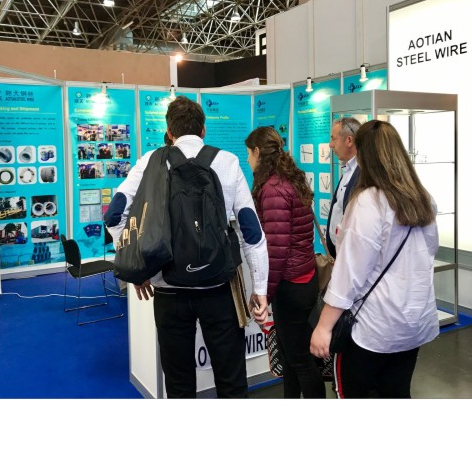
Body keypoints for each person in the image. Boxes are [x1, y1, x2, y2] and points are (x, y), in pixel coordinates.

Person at [105, 96, 269, 398]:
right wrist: (260, 288)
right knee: (231, 380)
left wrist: (138, 268)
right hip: (219, 288)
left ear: (169, 132)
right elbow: (251, 231)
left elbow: (114, 215)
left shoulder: (150, 161)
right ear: (203, 129)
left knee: (179, 384)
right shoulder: (227, 161)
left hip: (168, 290)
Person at [310, 119, 440, 398]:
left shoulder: (368, 201)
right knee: (397, 393)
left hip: (373, 327)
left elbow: (349, 273)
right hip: (413, 322)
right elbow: (429, 251)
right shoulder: (423, 198)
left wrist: (323, 326)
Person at [245, 126, 325, 399]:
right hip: (302, 279)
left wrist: (264, 293)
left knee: (299, 359)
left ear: (258, 152)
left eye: (249, 153)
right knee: (291, 356)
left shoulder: (273, 188)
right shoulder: (290, 178)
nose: (247, 159)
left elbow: (277, 250)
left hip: (291, 285)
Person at [326, 117, 362, 259]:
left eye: (334, 139)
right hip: (339, 254)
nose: (330, 145)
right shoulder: (348, 169)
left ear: (349, 140)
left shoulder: (364, 173)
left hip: (351, 256)